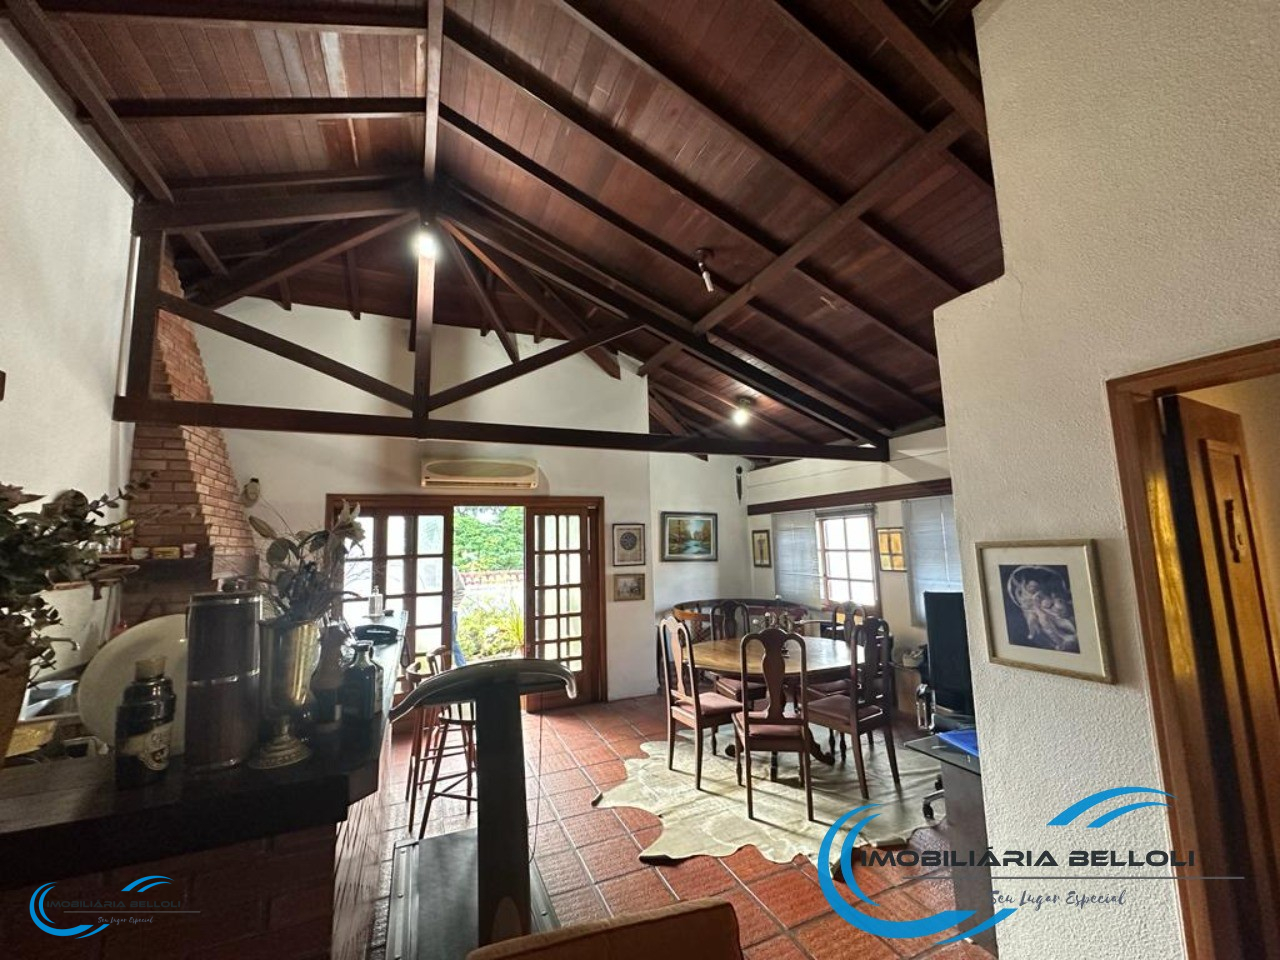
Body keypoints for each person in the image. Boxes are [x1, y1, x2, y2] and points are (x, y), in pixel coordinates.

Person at [451, 566, 467, 667]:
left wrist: (452, 606)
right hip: (431, 610)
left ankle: (462, 667)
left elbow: (461, 590)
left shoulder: (452, 570)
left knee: (452, 641)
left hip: (450, 611)